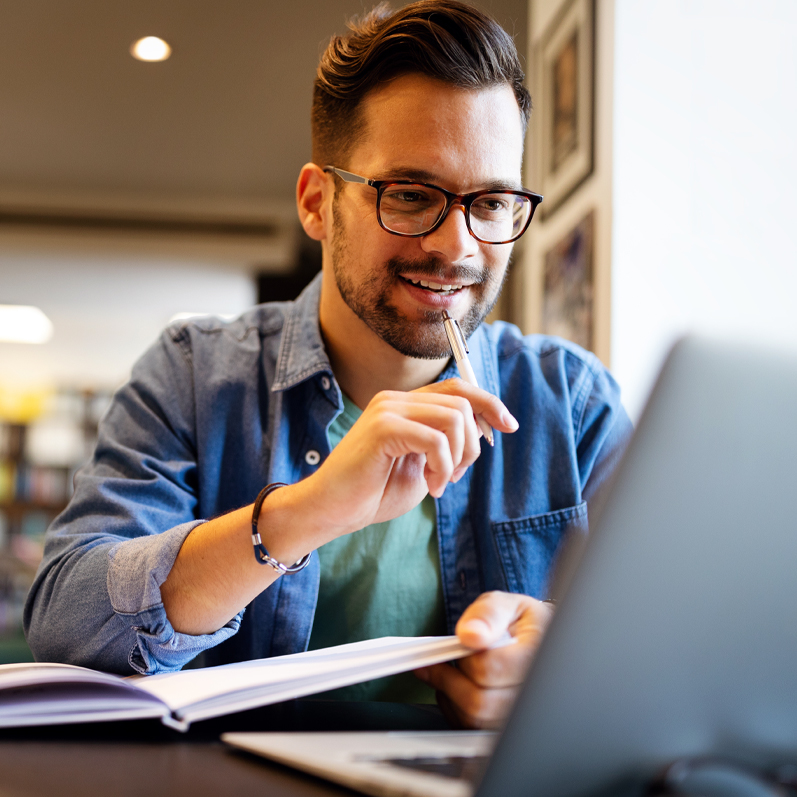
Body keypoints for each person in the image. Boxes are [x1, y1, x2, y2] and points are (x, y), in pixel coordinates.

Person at [24, 0, 631, 729]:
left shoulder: (572, 401)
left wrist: (560, 660)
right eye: (410, 195)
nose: (457, 246)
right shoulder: (193, 373)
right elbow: (66, 618)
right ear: (317, 203)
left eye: (492, 201)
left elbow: (680, 640)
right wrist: (304, 512)